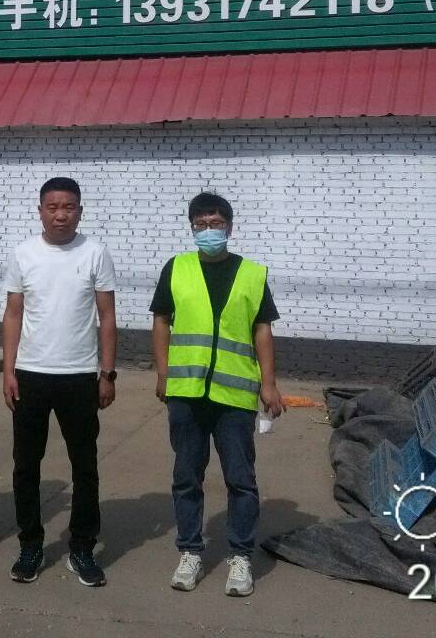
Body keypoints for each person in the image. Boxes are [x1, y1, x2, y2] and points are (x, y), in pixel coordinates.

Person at [151, 191, 285, 598]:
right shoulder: (177, 268)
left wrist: (268, 383)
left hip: (234, 395)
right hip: (186, 392)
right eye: (201, 224)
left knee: (241, 480)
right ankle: (190, 551)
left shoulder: (252, 273)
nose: (209, 230)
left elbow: (262, 329)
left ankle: (240, 556)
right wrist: (163, 373)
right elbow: (161, 320)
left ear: (229, 226)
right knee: (186, 477)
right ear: (192, 227)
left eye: (216, 223)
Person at [1, 176, 118, 587]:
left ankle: (82, 547)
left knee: (84, 466)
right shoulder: (24, 254)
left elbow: (107, 317)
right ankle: (30, 545)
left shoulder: (95, 253)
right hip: (31, 375)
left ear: (79, 211)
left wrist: (107, 373)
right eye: (52, 207)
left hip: (79, 377)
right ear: (40, 211)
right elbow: (13, 314)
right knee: (25, 466)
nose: (60, 215)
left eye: (68, 207)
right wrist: (8, 370)